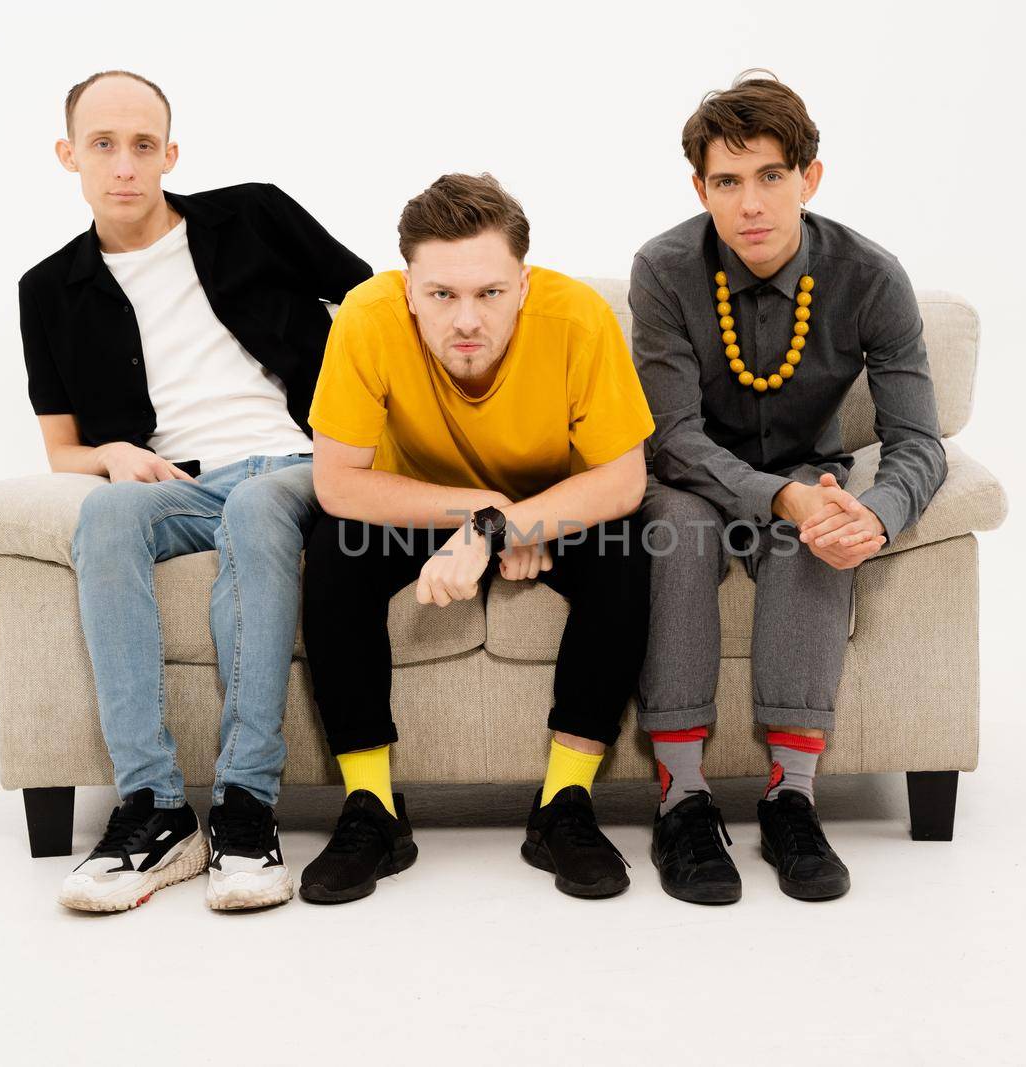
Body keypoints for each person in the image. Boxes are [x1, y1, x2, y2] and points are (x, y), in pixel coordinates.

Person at [17, 70, 371, 911]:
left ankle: (247, 804)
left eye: (143, 144)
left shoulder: (253, 214)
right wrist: (111, 453)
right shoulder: (48, 290)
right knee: (106, 515)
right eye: (102, 144)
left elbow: (375, 307)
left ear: (171, 153)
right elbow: (62, 450)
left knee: (256, 507)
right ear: (68, 155)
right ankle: (156, 809)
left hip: (296, 465)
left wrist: (361, 433)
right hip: (182, 483)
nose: (125, 164)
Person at [630, 73, 947, 904]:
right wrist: (777, 496)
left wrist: (872, 514)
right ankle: (682, 797)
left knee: (825, 528)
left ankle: (791, 799)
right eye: (727, 183)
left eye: (772, 175)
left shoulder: (871, 276)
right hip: (692, 481)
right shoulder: (664, 269)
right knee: (680, 530)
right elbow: (673, 437)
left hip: (810, 474)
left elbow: (918, 441)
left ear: (810, 177)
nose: (751, 205)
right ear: (701, 189)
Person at [298, 173, 654, 903]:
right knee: (336, 548)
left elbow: (622, 481)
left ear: (523, 285)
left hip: (548, 509)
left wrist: (509, 523)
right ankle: (373, 809)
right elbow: (338, 482)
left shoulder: (578, 319)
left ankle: (564, 804)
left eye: (489, 293)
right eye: (442, 295)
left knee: (626, 547)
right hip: (423, 508)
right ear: (407, 289)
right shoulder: (365, 319)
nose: (467, 318)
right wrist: (484, 514)